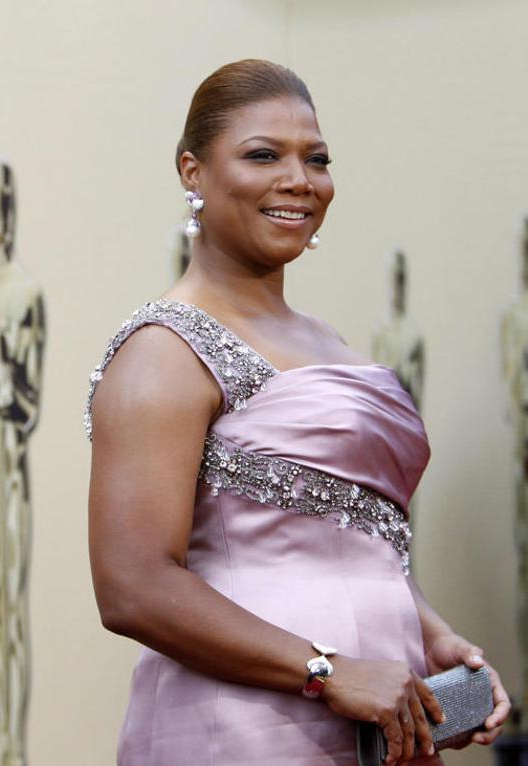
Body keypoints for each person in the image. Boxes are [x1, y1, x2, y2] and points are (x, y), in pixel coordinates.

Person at [85, 59, 510, 766]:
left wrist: (427, 632)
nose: (298, 180)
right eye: (263, 155)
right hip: (245, 726)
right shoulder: (164, 350)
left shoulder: (327, 342)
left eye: (316, 159)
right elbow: (132, 588)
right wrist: (325, 670)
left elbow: (345, 540)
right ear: (192, 171)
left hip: (377, 714)